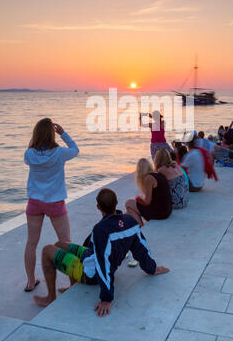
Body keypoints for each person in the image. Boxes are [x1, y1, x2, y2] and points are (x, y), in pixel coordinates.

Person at [34, 188, 169, 316]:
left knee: (47, 250)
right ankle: (72, 285)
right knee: (60, 244)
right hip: (91, 256)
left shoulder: (101, 230)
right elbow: (141, 249)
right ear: (116, 203)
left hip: (91, 274)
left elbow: (102, 262)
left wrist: (106, 298)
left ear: (98, 207)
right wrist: (151, 268)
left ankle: (50, 298)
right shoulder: (130, 222)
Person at [24, 118, 79, 292]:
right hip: (54, 202)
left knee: (31, 243)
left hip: (35, 203)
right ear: (52, 134)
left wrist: (34, 141)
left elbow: (29, 153)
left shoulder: (30, 154)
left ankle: (31, 282)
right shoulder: (59, 153)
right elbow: (75, 150)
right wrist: (63, 133)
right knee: (66, 242)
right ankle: (72, 282)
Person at [125, 158, 172, 227]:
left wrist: (139, 199)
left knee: (128, 203)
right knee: (128, 211)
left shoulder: (148, 178)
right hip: (167, 210)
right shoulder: (158, 174)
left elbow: (147, 202)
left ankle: (140, 227)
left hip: (161, 212)